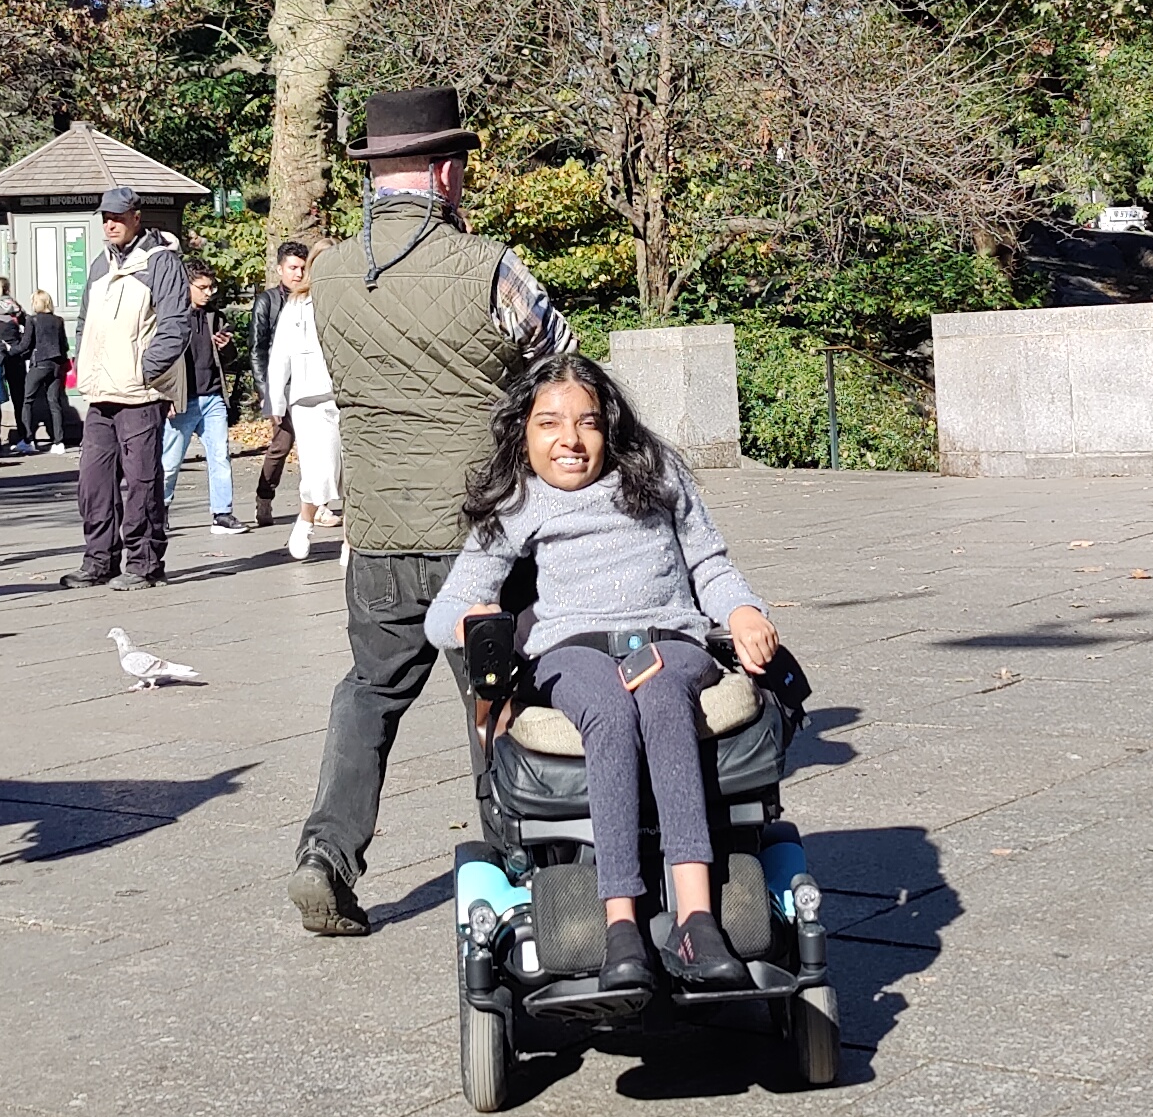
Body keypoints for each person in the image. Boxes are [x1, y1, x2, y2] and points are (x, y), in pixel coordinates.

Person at [291, 86, 574, 935]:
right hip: (476, 530)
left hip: (377, 528)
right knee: (498, 698)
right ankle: (521, 865)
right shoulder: (490, 265)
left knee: (369, 690)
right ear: (447, 172)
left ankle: (325, 858)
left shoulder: (329, 273)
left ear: (374, 173)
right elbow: (562, 369)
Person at [430, 355, 778, 991]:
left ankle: (696, 920)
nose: (570, 439)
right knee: (610, 711)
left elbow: (710, 563)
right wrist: (471, 622)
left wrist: (744, 609)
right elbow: (447, 607)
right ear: (524, 434)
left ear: (610, 426)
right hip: (572, 649)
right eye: (550, 424)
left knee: (665, 699)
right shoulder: (518, 501)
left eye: (588, 423)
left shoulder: (656, 475)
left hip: (668, 637)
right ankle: (620, 925)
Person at [63, 188, 193, 589]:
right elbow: (86, 321)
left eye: (118, 216)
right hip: (101, 394)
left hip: (140, 394)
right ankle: (99, 560)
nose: (110, 223)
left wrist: (145, 371)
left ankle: (144, 564)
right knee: (94, 482)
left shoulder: (161, 262)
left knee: (141, 482)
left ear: (137, 216)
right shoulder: (101, 266)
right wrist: (84, 365)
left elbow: (176, 324)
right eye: (105, 217)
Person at [253, 238, 341, 560]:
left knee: (347, 471)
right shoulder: (296, 303)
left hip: (345, 394)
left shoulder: (351, 297)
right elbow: (279, 356)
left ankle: (350, 541)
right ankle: (305, 521)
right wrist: (275, 401)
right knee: (320, 468)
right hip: (308, 397)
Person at [159, 269, 246, 536]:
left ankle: (222, 513)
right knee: (170, 461)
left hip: (212, 396)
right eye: (203, 287)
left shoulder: (214, 317)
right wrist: (166, 395)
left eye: (212, 288)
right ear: (187, 287)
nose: (208, 293)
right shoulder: (171, 318)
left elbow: (229, 358)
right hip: (184, 399)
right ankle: (159, 509)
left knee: (220, 455)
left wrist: (225, 347)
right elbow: (161, 359)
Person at [19, 282, 75, 453]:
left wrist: (10, 350)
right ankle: (59, 442)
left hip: (39, 363)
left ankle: (28, 440)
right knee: (54, 402)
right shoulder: (58, 320)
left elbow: (25, 345)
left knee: (27, 400)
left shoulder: (32, 320)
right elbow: (64, 345)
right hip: (56, 365)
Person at [0, 280, 32, 454]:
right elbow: (27, 329)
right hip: (15, 358)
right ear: (8, 289)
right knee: (19, 398)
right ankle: (26, 436)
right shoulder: (16, 309)